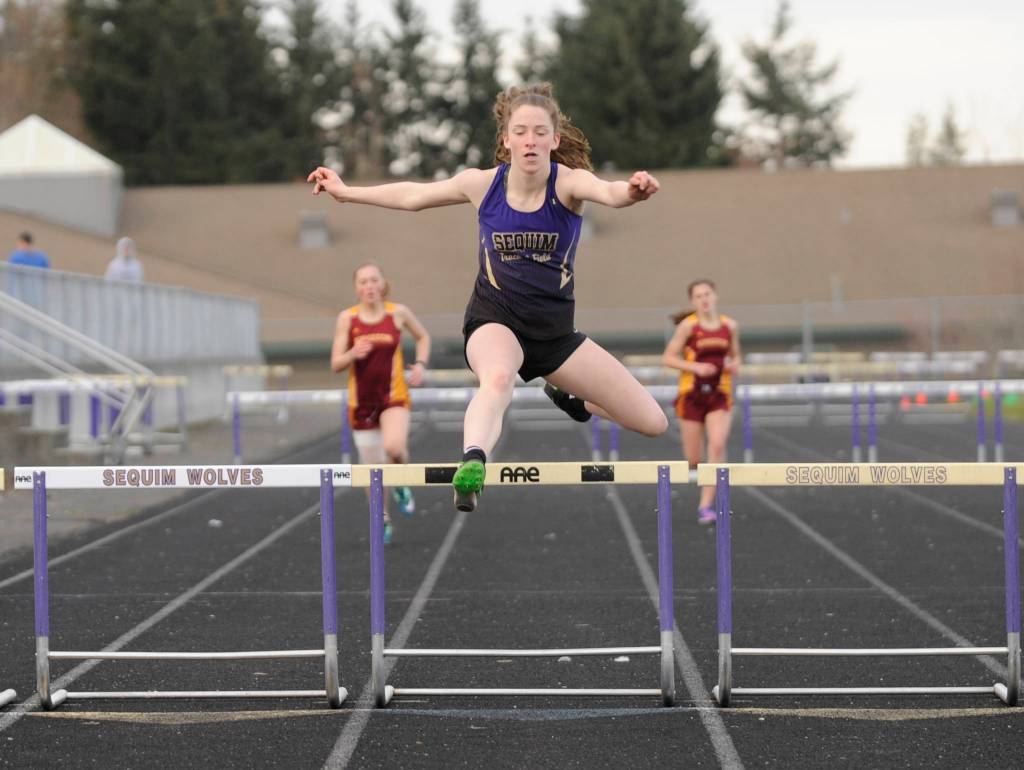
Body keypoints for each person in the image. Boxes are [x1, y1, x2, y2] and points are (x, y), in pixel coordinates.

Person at [310, 82, 667, 512]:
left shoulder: (570, 184)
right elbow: (412, 195)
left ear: (555, 139)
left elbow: (611, 193)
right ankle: (474, 461)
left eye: (540, 132)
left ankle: (575, 401)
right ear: (506, 139)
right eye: (521, 131)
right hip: (494, 320)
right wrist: (347, 192)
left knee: (653, 422)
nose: (530, 140)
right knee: (498, 379)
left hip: (554, 335)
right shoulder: (482, 185)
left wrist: (633, 191)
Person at [331, 263, 430, 544]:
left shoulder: (397, 313)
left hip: (393, 396)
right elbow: (335, 363)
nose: (369, 286)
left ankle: (401, 483)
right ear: (356, 288)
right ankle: (382, 518)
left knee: (394, 447)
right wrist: (352, 352)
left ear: (383, 284)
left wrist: (420, 365)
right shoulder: (347, 319)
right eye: (363, 281)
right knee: (371, 469)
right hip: (362, 402)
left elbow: (423, 336)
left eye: (374, 280)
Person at [662, 280, 741, 524]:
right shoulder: (688, 327)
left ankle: (706, 505)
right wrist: (696, 367)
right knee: (694, 459)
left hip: (719, 393)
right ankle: (702, 481)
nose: (704, 299)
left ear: (715, 296)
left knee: (717, 446)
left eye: (707, 294)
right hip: (692, 395)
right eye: (698, 296)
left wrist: (733, 366)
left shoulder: (730, 326)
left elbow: (737, 357)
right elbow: (668, 358)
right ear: (693, 302)